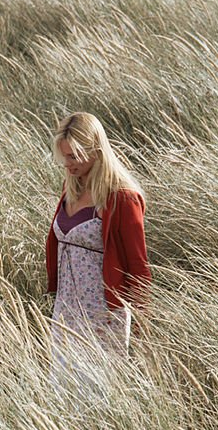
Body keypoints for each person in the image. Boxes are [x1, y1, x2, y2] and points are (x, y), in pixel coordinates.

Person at [45, 112, 150, 378]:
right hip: (65, 312)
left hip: (103, 315)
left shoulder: (123, 199)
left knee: (98, 395)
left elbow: (138, 266)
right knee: (61, 393)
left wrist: (142, 326)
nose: (67, 164)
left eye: (74, 156)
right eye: (64, 156)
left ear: (96, 150)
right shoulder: (72, 189)